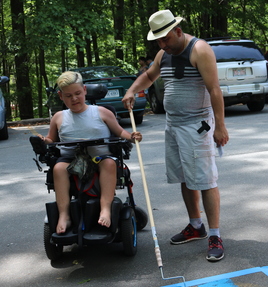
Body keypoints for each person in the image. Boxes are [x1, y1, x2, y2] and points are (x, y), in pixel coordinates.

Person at [122, 9, 229, 262]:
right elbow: (149, 76)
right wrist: (131, 90)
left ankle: (214, 234)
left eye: (165, 39)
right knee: (184, 177)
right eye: (158, 40)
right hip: (173, 125)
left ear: (178, 31)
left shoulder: (199, 50)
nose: (162, 45)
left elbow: (214, 89)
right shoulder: (163, 54)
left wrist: (220, 127)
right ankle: (196, 225)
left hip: (197, 125)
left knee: (205, 179)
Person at [39, 71, 142, 234]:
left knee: (109, 163)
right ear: (60, 96)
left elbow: (120, 132)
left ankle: (105, 208)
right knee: (58, 169)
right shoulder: (58, 117)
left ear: (85, 90)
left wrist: (131, 136)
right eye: (68, 96)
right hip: (71, 158)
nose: (74, 99)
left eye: (78, 93)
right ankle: (64, 214)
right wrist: (44, 141)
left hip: (99, 157)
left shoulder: (102, 112)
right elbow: (52, 139)